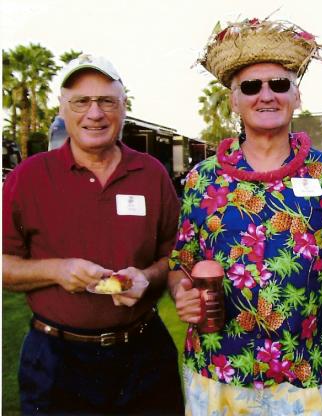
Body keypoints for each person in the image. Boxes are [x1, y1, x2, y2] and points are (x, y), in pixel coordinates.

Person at [168, 18, 322, 415]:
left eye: (279, 84)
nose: (266, 95)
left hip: (300, 374)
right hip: (217, 370)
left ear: (297, 95)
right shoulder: (203, 178)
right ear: (234, 100)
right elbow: (180, 264)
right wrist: (181, 294)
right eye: (251, 87)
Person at [2, 54, 184, 415]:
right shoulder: (28, 177)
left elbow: (175, 255)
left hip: (144, 354)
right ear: (63, 108)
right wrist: (57, 270)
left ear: (123, 107)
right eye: (81, 101)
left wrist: (146, 278)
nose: (95, 113)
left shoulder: (150, 173)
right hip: (57, 361)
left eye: (106, 101)